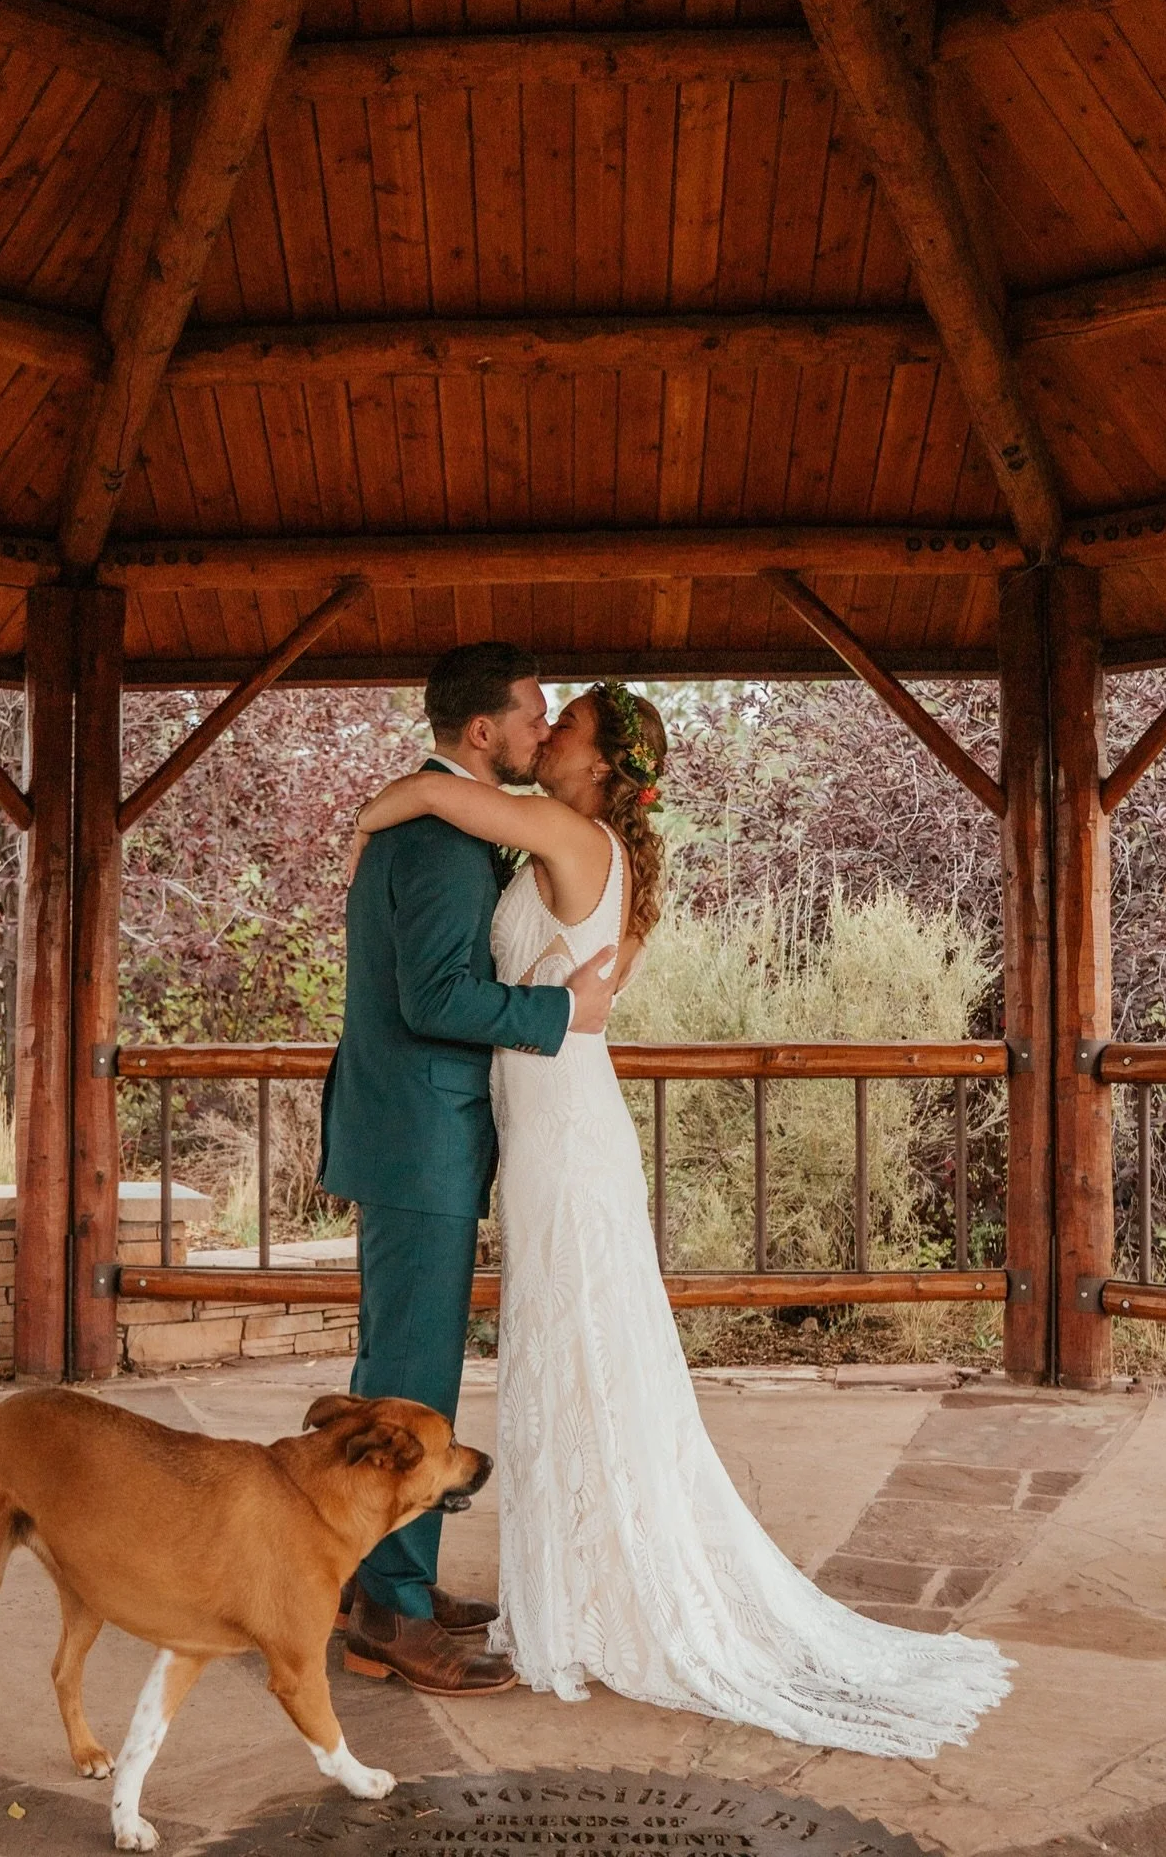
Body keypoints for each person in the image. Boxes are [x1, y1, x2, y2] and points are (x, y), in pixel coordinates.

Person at [350, 670, 1014, 1758]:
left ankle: (489, 1590)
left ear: (602, 763)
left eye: (563, 721)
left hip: (561, 1138)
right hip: (538, 1131)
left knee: (579, 1355)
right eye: (540, 713)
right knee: (566, 1356)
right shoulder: (561, 838)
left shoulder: (566, 834)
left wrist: (375, 811)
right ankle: (447, 1588)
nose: (546, 728)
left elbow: (433, 793)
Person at [319, 642, 619, 1698]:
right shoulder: (443, 843)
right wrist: (561, 1010)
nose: (543, 728)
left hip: (411, 1129)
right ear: (483, 730)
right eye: (533, 713)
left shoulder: (436, 824)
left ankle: (369, 1577)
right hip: (421, 1138)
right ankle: (392, 1612)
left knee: (396, 1367)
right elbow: (436, 998)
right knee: (414, 1381)